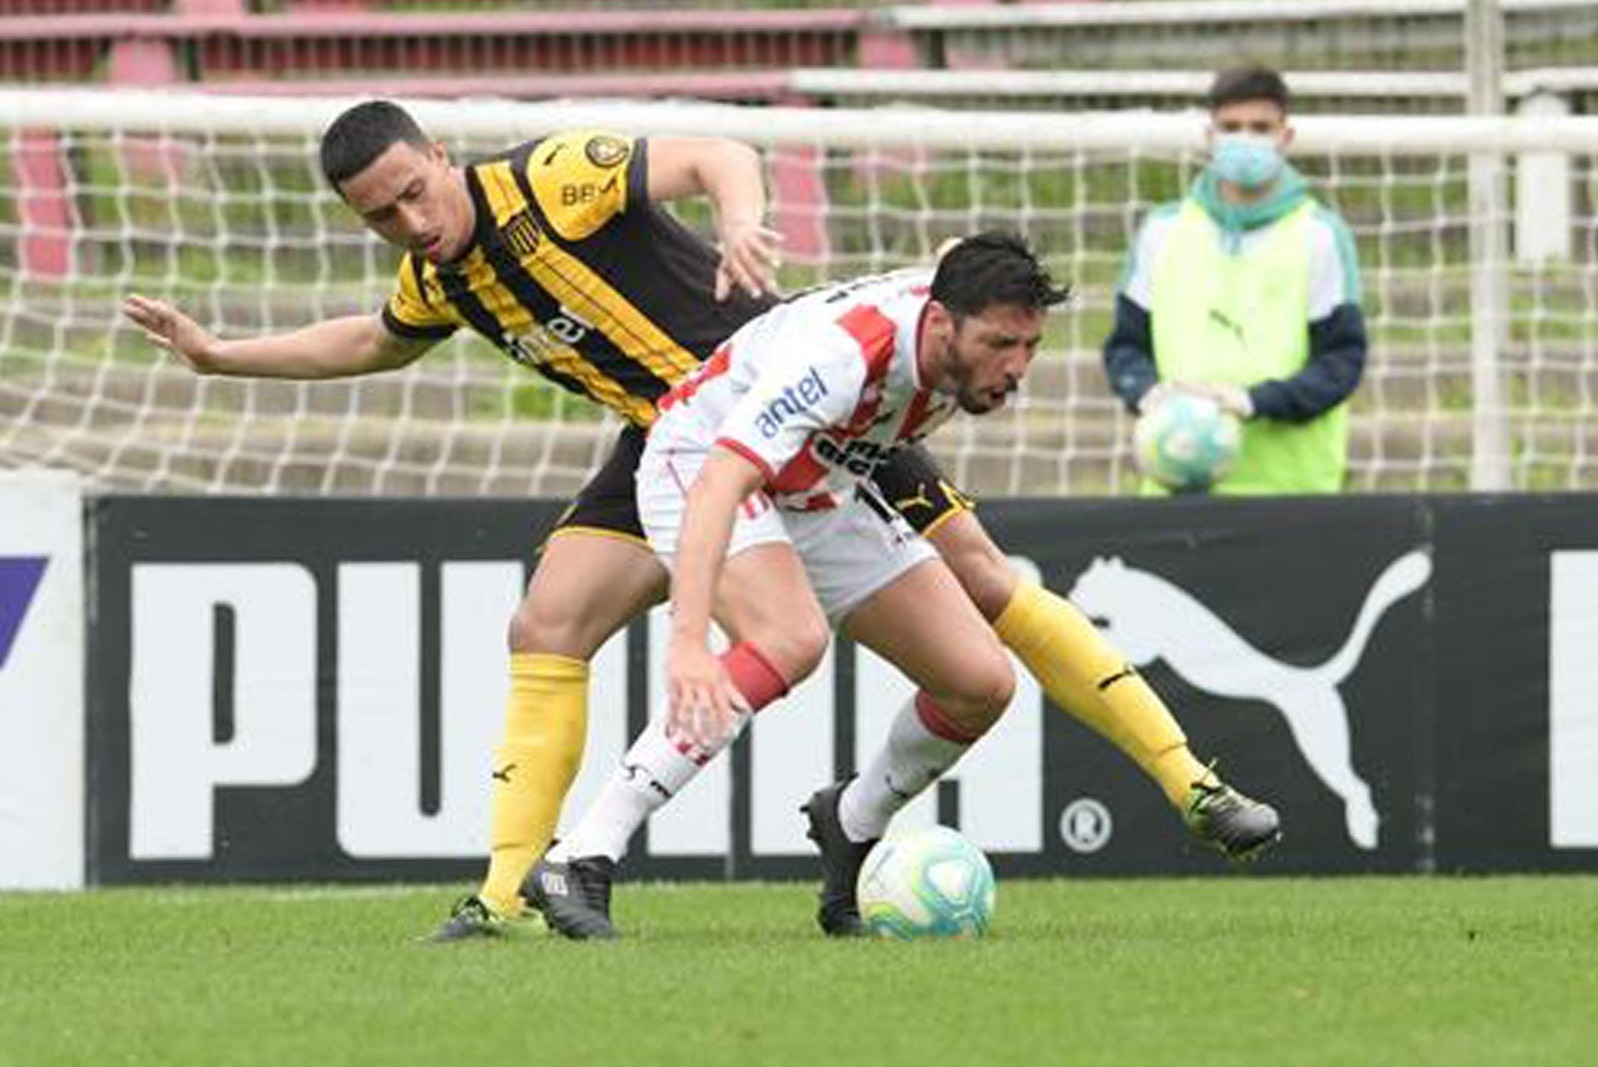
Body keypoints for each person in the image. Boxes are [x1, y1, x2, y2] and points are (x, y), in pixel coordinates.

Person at [122, 102, 1274, 944]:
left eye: (414, 191)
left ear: (437, 152)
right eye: (380, 217)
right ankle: (510, 888)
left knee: (978, 590)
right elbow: (369, 339)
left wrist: (741, 220)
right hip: (676, 438)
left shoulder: (551, 179)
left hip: (797, 414)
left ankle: (1182, 779)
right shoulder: (445, 281)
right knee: (547, 622)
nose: (409, 221)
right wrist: (222, 355)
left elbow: (717, 150)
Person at [527, 237, 1273, 941]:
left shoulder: (954, 326)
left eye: (1030, 347)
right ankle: (581, 854)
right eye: (999, 346)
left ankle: (851, 820)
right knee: (791, 639)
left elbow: (951, 261)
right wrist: (690, 640)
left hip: (822, 481)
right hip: (700, 461)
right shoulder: (843, 356)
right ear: (942, 323)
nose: (1016, 367)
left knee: (978, 681)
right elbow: (724, 477)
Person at [1103, 64, 1368, 495]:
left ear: (1286, 138)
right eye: (1231, 127)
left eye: (1260, 127)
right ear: (1210, 136)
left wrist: (1253, 402)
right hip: (1177, 489)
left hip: (1292, 491)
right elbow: (1125, 347)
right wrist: (1149, 394)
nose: (1245, 139)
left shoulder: (1320, 234)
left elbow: (1341, 362)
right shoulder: (1161, 231)